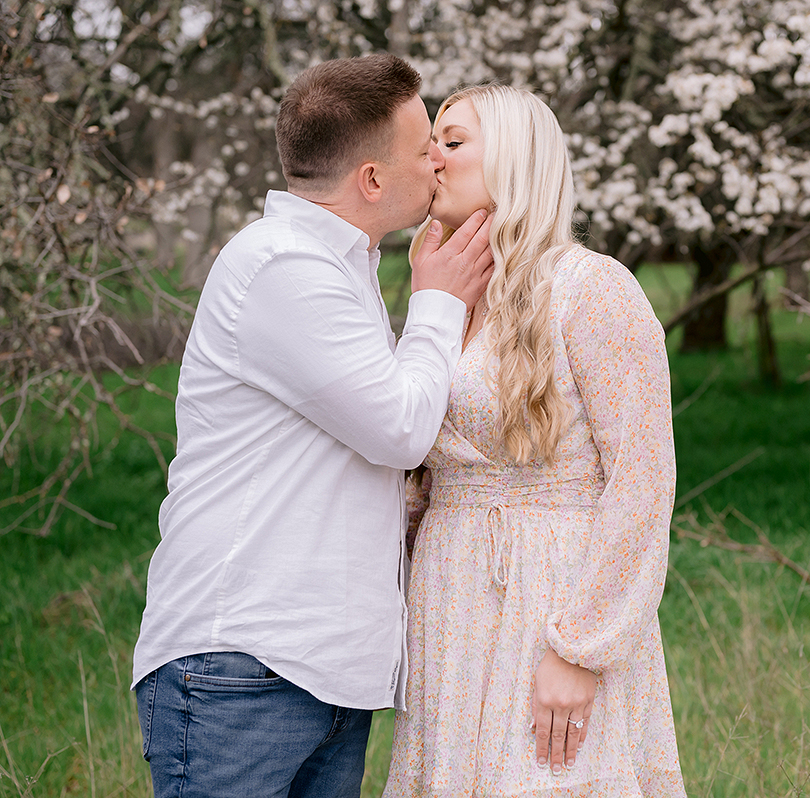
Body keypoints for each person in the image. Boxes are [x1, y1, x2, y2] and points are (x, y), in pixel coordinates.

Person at [130, 54, 494, 797]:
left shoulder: (338, 267)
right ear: (370, 180)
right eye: (424, 145)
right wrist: (438, 301)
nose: (437, 160)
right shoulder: (282, 267)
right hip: (244, 665)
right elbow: (398, 429)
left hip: (322, 672)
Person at [384, 84, 687, 797]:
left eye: (453, 142)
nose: (431, 158)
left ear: (517, 161)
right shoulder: (439, 303)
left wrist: (580, 649)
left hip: (553, 595)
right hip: (453, 598)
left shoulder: (593, 289)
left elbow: (643, 481)